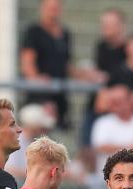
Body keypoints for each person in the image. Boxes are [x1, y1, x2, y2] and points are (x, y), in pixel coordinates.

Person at [20, 0, 102, 129]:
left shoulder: (65, 34)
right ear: (42, 8)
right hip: (39, 96)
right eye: (50, 7)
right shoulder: (34, 31)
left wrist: (84, 75)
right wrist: (36, 80)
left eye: (56, 7)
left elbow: (66, 65)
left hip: (60, 96)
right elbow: (27, 61)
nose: (53, 11)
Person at [78, 8, 128, 169]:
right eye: (104, 24)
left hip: (115, 109)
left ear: (121, 26)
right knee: (87, 143)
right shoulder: (101, 46)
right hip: (97, 106)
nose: (106, 27)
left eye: (110, 24)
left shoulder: (126, 50)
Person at [4, 103, 56, 180]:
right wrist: (41, 174)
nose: (44, 129)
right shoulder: (15, 140)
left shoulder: (36, 142)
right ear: (33, 125)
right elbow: (10, 170)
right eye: (41, 126)